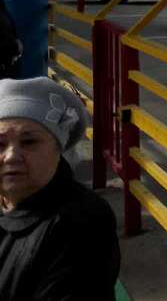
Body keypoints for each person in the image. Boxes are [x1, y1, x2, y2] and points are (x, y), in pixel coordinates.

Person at [0, 77, 120, 299]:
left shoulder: (81, 223)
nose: (11, 156)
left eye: (29, 142)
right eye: (0, 144)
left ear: (59, 150)